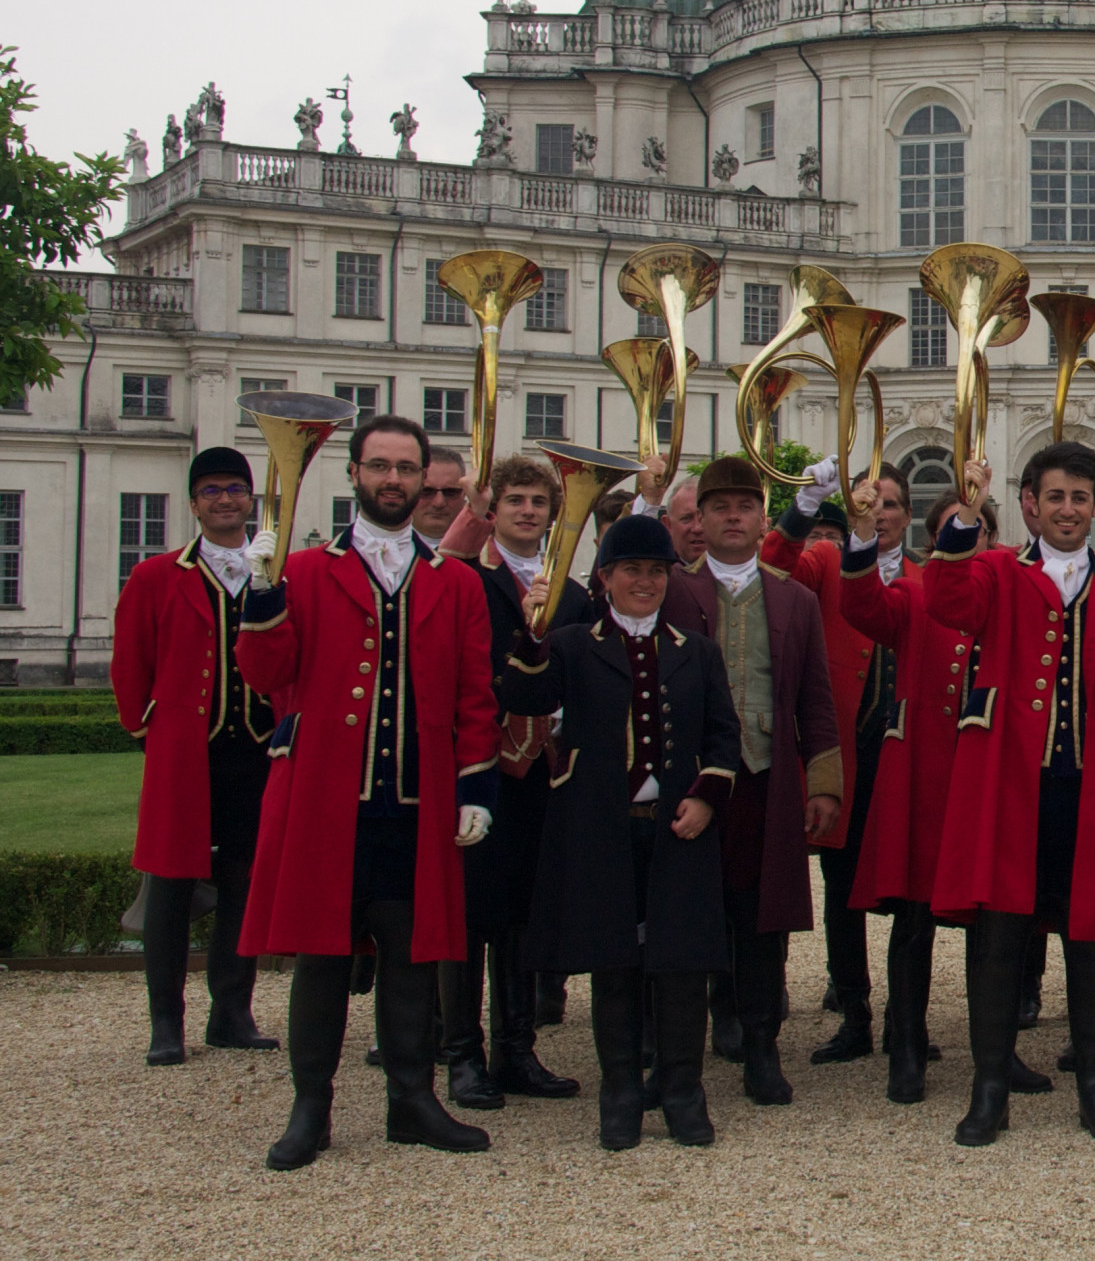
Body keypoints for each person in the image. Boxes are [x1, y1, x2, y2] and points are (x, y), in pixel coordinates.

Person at [234, 414, 502, 1170]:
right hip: (329, 803)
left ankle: (412, 1101)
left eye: (406, 468)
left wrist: (477, 783)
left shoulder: (456, 583)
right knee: (321, 959)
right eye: (379, 466)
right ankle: (309, 1108)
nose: (393, 479)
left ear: (423, 480)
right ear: (354, 473)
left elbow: (474, 695)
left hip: (416, 807)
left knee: (413, 958)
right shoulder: (308, 570)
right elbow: (265, 673)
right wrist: (261, 591)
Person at [926, 442, 1095, 1145]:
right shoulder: (995, 569)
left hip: (1093, 790)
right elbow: (945, 599)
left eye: (1080, 498)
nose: (1067, 510)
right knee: (998, 939)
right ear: (1029, 502)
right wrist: (964, 515)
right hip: (1012, 787)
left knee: (1093, 942)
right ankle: (989, 1084)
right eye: (1054, 497)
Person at [503, 513, 741, 1149]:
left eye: (656, 571)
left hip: (678, 827)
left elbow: (723, 735)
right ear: (605, 577)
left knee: (683, 967)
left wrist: (708, 796)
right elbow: (524, 699)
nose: (645, 581)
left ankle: (684, 1093)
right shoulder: (574, 643)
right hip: (599, 827)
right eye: (632, 570)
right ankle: (620, 1096)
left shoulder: (698, 650)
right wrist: (532, 632)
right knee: (612, 966)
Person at [656, 456, 842, 1107]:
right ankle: (681, 1047)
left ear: (763, 517)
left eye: (744, 505)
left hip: (767, 782)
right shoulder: (672, 591)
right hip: (691, 787)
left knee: (763, 924)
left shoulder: (795, 597)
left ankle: (762, 1045)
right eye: (720, 506)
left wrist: (823, 784)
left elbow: (815, 700)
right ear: (700, 519)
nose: (733, 516)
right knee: (687, 918)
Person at [112, 446, 280, 1065]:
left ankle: (232, 1013)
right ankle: (166, 1022)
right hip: (186, 754)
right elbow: (131, 661)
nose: (225, 500)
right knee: (171, 888)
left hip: (256, 751)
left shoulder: (272, 572)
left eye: (235, 489)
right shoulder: (157, 576)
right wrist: (149, 726)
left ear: (249, 500)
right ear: (194, 504)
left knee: (242, 881)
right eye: (211, 491)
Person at [437, 453, 586, 1109]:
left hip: (545, 772)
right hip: (481, 768)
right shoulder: (464, 577)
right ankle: (462, 1054)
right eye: (517, 499)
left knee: (525, 917)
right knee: (470, 918)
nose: (529, 511)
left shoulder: (575, 594)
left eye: (539, 501)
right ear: (491, 510)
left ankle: (516, 1048)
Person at [840, 483, 975, 1104]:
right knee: (914, 921)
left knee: (995, 925)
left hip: (985, 776)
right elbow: (862, 607)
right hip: (927, 769)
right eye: (950, 529)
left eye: (971, 529)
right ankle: (907, 1044)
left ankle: (994, 1050)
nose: (961, 540)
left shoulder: (1005, 589)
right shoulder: (913, 592)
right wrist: (863, 535)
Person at [764, 469, 899, 1065]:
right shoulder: (824, 557)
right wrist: (806, 501)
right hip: (845, 752)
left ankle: (907, 1019)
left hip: (903, 757)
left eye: (893, 502)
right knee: (843, 894)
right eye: (872, 501)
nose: (884, 511)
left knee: (908, 897)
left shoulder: (926, 574)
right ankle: (854, 1012)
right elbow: (774, 569)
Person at [413, 447, 471, 542]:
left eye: (450, 492)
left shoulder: (484, 550)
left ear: (465, 493)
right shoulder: (385, 548)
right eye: (427, 491)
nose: (439, 503)